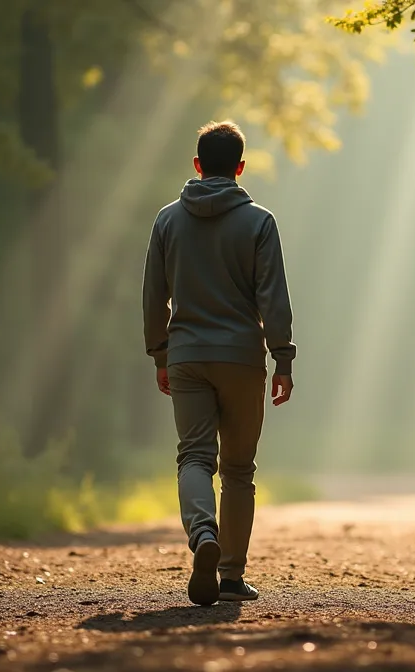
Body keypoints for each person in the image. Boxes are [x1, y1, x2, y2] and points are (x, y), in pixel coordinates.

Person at [141, 120, 296, 606]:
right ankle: (230, 577)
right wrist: (283, 358)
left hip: (187, 356)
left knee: (194, 457)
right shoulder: (260, 223)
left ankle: (203, 534)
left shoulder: (167, 221)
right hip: (243, 359)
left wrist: (160, 353)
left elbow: (154, 296)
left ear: (197, 165)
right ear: (240, 167)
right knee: (238, 470)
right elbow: (273, 298)